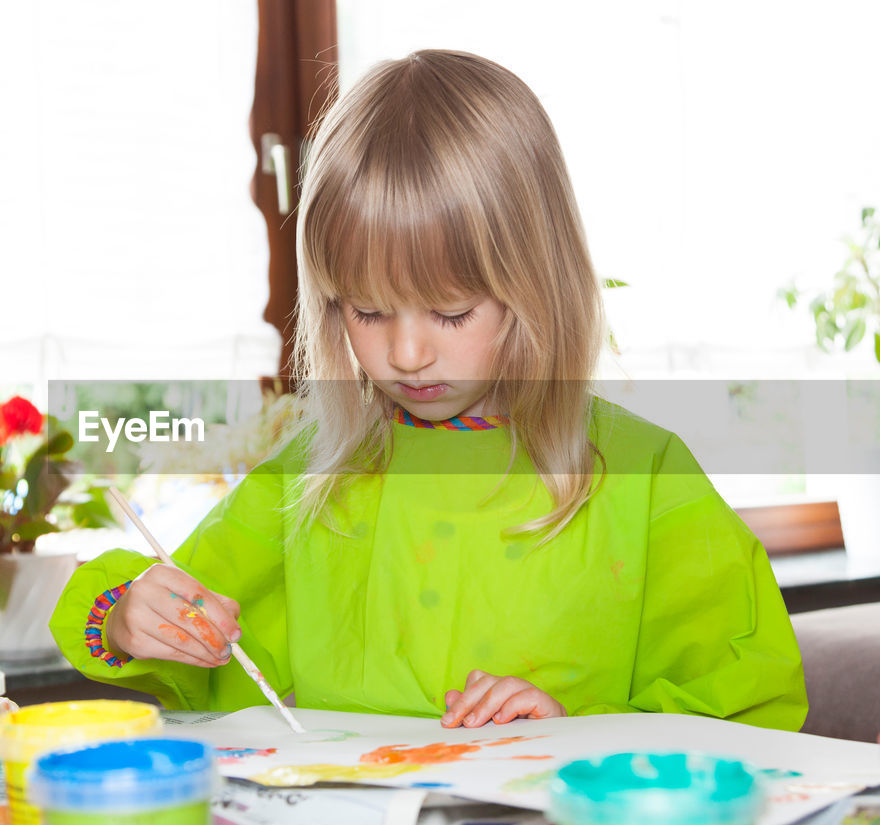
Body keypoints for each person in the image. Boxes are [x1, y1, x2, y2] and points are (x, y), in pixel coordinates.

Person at [49, 49, 808, 731]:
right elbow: (180, 616)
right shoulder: (308, 475)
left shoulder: (646, 477)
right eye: (368, 310)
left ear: (535, 284)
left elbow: (748, 700)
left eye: (450, 311)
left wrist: (577, 729)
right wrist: (128, 615)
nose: (407, 353)